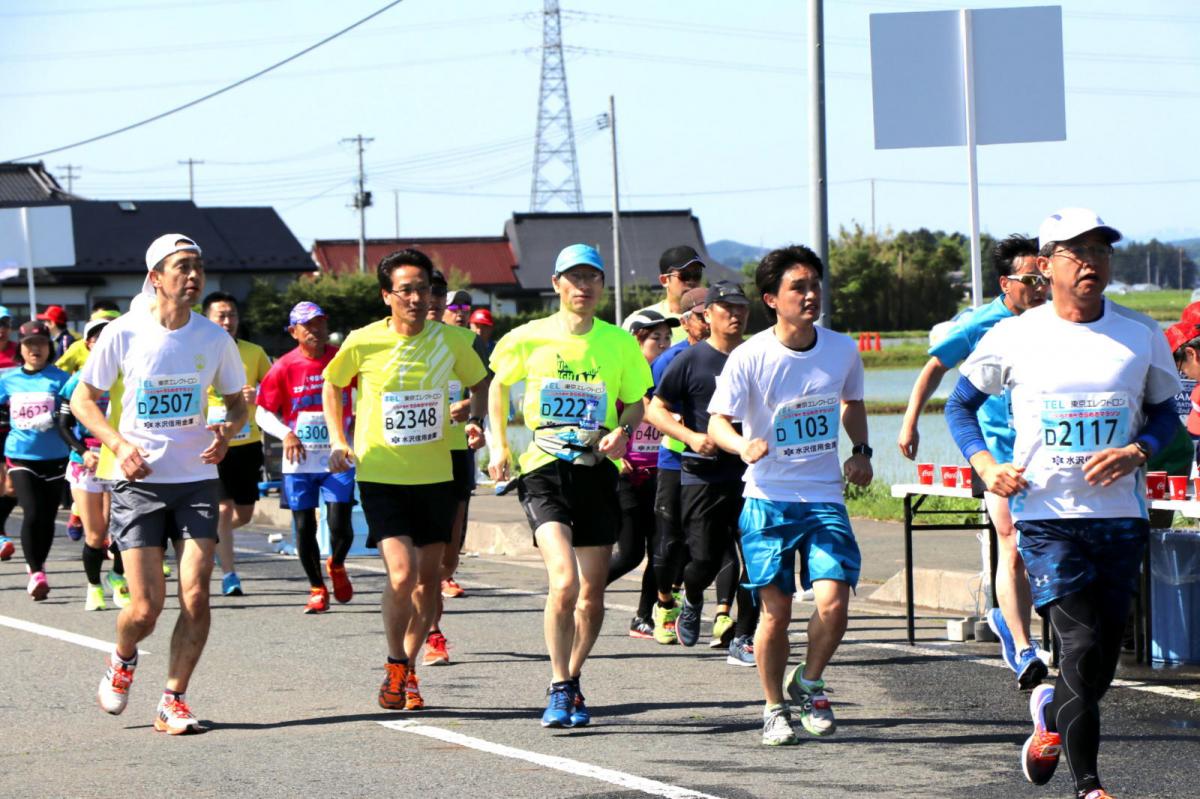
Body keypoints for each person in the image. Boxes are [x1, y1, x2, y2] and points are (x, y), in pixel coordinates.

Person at [945, 208, 1180, 799]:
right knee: (1076, 645)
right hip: (1047, 517)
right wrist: (986, 466)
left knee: (1101, 656)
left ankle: (1051, 722)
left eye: (1101, 252)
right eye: (1078, 254)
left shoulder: (1139, 332)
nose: (1092, 263)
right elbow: (960, 406)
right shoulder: (1014, 335)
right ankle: (1090, 786)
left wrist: (1137, 451)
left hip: (1120, 519)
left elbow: (1165, 415)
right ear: (1047, 267)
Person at [78, 233, 247, 735]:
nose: (193, 276)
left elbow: (238, 402)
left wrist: (228, 432)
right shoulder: (123, 334)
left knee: (196, 595)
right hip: (139, 481)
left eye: (198, 267)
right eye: (181, 267)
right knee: (146, 607)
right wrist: (119, 445)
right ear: (155, 277)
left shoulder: (214, 338)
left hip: (196, 478)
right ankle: (123, 657)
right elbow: (84, 401)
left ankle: (173, 698)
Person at [708, 244, 872, 746]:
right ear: (772, 299)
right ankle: (773, 706)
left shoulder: (842, 349)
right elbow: (718, 422)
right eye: (798, 287)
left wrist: (861, 451)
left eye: (814, 285)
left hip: (823, 495)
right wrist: (743, 445)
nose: (810, 295)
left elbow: (852, 402)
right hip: (768, 497)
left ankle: (810, 681)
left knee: (835, 604)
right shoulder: (750, 355)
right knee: (775, 614)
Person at [488, 243, 653, 728]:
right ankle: (560, 686)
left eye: (593, 278)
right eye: (574, 278)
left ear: (602, 286)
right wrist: (499, 446)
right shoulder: (528, 337)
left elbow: (634, 403)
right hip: (543, 469)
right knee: (563, 582)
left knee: (592, 595)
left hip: (596, 470)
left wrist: (623, 430)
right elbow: (497, 385)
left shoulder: (618, 343)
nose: (583, 287)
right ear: (557, 284)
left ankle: (571, 676)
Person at [322, 249, 487, 713]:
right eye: (407, 290)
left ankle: (409, 669)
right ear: (387, 295)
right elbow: (333, 383)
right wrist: (338, 437)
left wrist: (472, 417)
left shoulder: (452, 341)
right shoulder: (363, 341)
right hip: (382, 473)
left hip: (437, 473)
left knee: (430, 580)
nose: (417, 298)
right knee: (402, 573)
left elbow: (480, 383)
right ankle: (395, 661)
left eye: (425, 290)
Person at [898, 234, 1050, 688]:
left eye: (1044, 277)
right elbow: (934, 369)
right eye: (1030, 279)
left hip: (1049, 454)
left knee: (1043, 547)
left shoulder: (1056, 323)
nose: (1040, 286)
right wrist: (909, 422)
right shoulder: (983, 324)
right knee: (1013, 544)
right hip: (998, 456)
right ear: (1006, 283)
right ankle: (1024, 649)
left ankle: (1010, 621)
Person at [647, 281, 760, 656]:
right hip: (703, 475)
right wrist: (692, 438)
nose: (736, 314)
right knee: (705, 560)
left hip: (753, 475)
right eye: (727, 307)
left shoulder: (757, 355)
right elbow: (656, 409)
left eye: (741, 307)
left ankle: (743, 637)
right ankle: (692, 597)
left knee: (759, 559)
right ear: (708, 314)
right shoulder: (691, 360)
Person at [255, 301, 356, 614]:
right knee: (302, 527)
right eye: (308, 325)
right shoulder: (284, 366)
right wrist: (286, 433)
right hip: (300, 459)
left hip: (338, 453)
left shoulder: (343, 357)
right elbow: (262, 411)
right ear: (293, 331)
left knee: (340, 523)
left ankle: (336, 563)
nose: (316, 330)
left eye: (320, 323)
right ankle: (316, 587)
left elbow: (365, 394)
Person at [423, 279, 493, 666]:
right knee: (424, 561)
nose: (431, 302)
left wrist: (473, 414)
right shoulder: (393, 342)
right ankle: (433, 635)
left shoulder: (465, 342)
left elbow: (484, 387)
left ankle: (433, 597)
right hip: (412, 459)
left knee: (447, 559)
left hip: (454, 454)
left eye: (437, 296)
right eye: (426, 294)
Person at [604, 309, 676, 648]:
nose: (662, 344)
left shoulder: (670, 380)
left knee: (661, 549)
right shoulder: (622, 380)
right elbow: (602, 426)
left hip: (662, 475)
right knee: (631, 554)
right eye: (654, 339)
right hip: (628, 478)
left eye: (666, 338)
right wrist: (618, 462)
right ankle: (583, 588)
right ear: (637, 342)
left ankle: (644, 617)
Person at [643, 286, 710, 645]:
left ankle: (729, 617)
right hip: (673, 459)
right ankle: (664, 603)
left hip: (716, 463)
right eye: (702, 314)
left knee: (714, 542)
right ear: (687, 321)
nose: (709, 320)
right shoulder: (672, 359)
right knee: (669, 541)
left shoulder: (732, 354)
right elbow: (649, 407)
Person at [203, 291, 272, 597]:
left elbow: (273, 393)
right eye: (221, 315)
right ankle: (230, 573)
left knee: (243, 513)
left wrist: (256, 396)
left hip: (247, 440)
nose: (228, 321)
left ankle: (213, 538)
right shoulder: (197, 351)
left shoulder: (254, 352)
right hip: (212, 440)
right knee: (222, 508)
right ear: (207, 319)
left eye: (231, 315)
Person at [57, 317, 129, 610]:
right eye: (99, 338)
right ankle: (94, 586)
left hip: (118, 458)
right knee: (96, 534)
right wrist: (82, 452)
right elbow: (62, 424)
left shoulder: (129, 373)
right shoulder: (78, 379)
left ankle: (117, 577)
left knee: (123, 530)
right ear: (89, 344)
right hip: (85, 461)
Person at [0, 320, 72, 600]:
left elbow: (75, 413)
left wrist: (57, 419)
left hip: (55, 457)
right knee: (31, 512)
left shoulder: (61, 379)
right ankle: (35, 572)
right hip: (21, 455)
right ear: (21, 347)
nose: (35, 350)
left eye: (41, 344)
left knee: (47, 517)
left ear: (48, 347)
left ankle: (39, 566)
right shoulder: (8, 379)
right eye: (30, 345)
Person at [621, 245, 706, 343]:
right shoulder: (639, 320)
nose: (691, 281)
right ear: (664, 280)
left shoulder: (712, 318)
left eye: (697, 274)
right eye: (684, 275)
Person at [0, 306, 19, 560]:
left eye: (5, 323)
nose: (1, 329)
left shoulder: (20, 351)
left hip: (18, 427)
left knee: (12, 487)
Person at [57, 302, 122, 374]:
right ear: (92, 322)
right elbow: (58, 375)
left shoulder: (128, 345)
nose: (107, 327)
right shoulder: (78, 347)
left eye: (113, 322)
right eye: (101, 323)